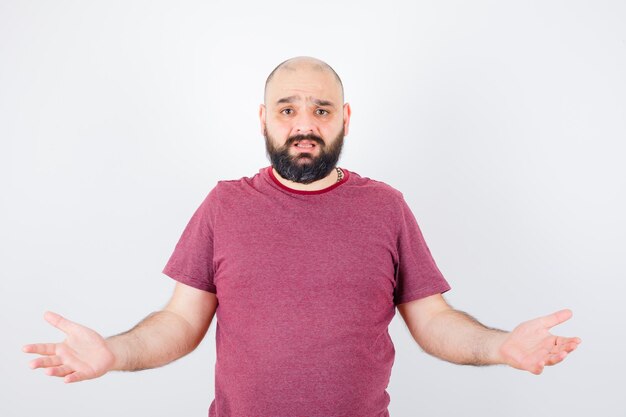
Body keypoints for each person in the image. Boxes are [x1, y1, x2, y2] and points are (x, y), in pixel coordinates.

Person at [23, 56, 581, 417]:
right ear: (264, 118)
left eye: (321, 109)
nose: (305, 124)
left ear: (345, 118)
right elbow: (178, 322)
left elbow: (433, 321)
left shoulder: (386, 207)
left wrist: (501, 346)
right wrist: (113, 354)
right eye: (288, 109)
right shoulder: (224, 205)